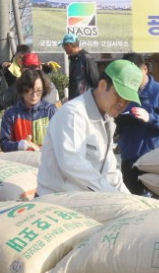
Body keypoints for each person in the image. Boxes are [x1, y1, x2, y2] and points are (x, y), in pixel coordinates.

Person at [36, 59, 143, 196]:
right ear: (103, 85)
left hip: (86, 200)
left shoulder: (107, 120)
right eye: (119, 96)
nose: (122, 104)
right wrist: (111, 195)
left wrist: (131, 200)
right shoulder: (73, 114)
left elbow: (110, 171)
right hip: (58, 201)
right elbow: (72, 163)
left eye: (127, 100)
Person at [115, 53, 159, 195]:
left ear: (145, 69)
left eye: (134, 73)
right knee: (131, 201)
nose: (131, 78)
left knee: (154, 204)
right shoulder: (122, 92)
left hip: (152, 159)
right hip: (128, 157)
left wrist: (150, 118)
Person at [0, 69, 57, 152]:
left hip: (46, 161)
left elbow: (61, 140)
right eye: (30, 90)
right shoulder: (11, 114)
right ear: (22, 90)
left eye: (38, 90)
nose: (34, 95)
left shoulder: (51, 111)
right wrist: (17, 145)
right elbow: (4, 143)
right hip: (20, 161)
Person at [58, 33, 99, 101]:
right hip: (76, 101)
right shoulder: (73, 59)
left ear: (69, 46)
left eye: (63, 46)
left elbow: (95, 81)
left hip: (85, 102)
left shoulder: (87, 58)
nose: (64, 48)